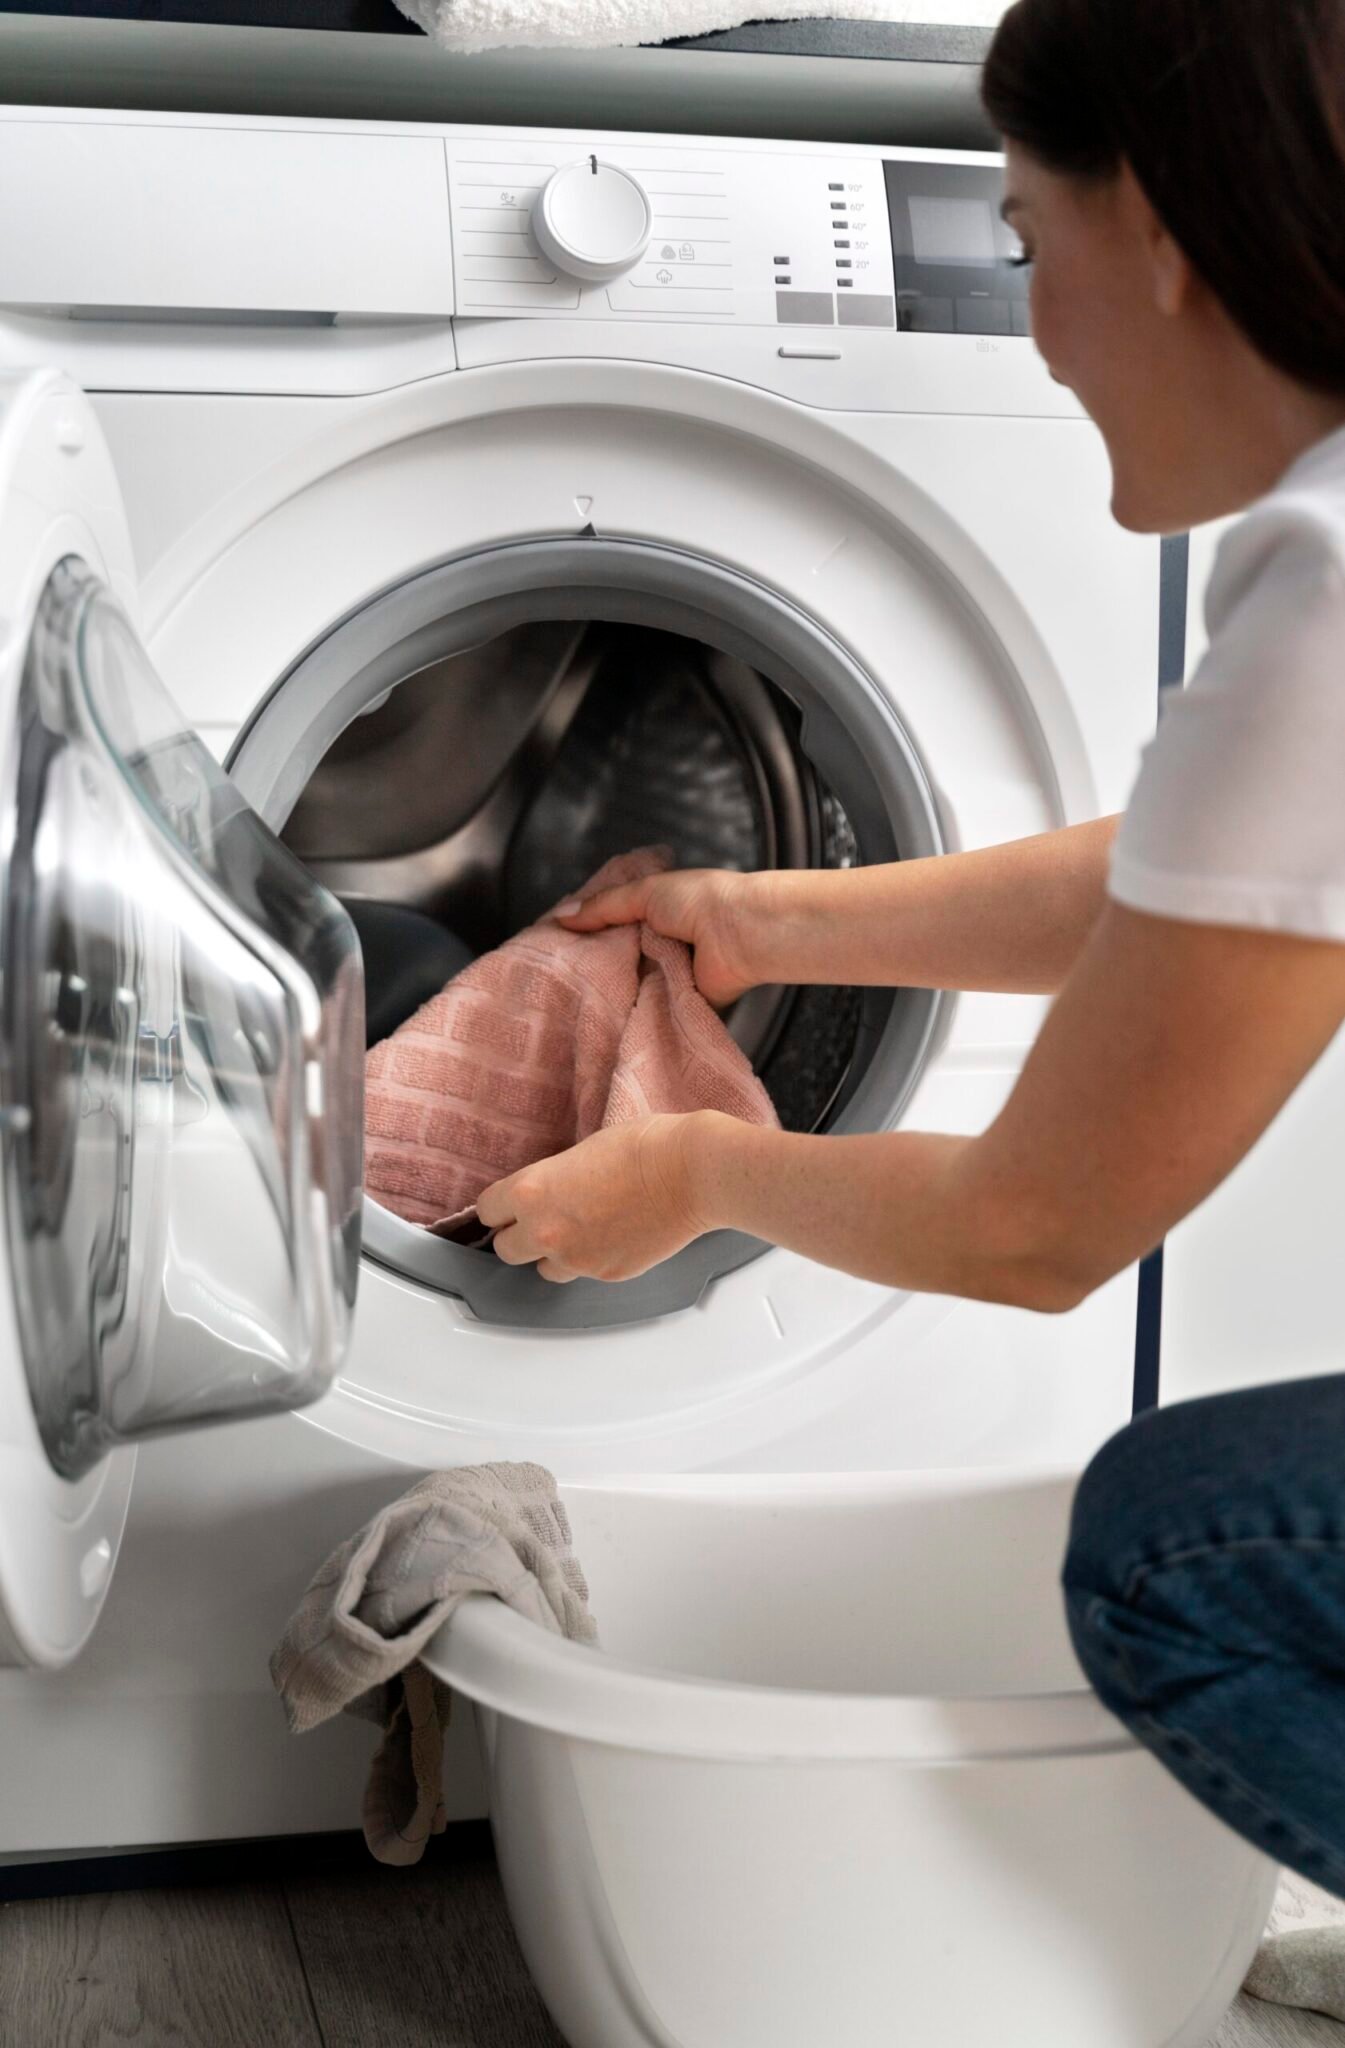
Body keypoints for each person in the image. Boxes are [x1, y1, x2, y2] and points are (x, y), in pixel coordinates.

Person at [477, 0, 1345, 1916]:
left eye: (1031, 246)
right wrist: (768, 917)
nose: (1029, 330)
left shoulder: (1326, 586)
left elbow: (1040, 1234)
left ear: (1170, 239)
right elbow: (1211, 880)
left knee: (1171, 1553)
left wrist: (699, 1174)